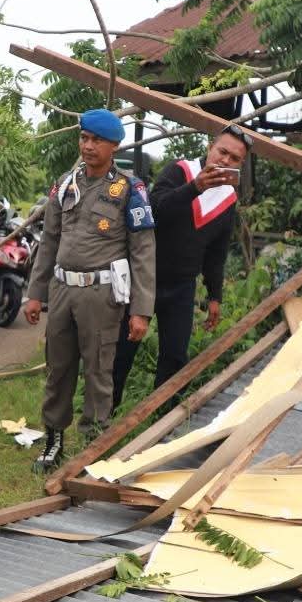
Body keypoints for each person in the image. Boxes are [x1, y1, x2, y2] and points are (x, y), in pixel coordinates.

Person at [23, 109, 155, 472]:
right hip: (63, 290)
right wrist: (35, 293)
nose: (88, 145)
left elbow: (143, 251)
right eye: (84, 138)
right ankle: (53, 440)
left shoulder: (129, 188)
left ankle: (94, 441)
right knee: (58, 367)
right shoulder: (66, 182)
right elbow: (48, 240)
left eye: (97, 140)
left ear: (114, 145)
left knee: (99, 369)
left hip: (102, 295)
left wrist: (141, 310)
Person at [111, 126, 244, 408]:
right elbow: (155, 208)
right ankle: (103, 419)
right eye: (222, 151)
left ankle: (162, 424)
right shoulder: (179, 171)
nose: (225, 161)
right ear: (210, 147)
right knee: (123, 351)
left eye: (234, 158)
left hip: (182, 287)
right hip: (147, 279)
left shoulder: (228, 198)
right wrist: (195, 187)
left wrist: (215, 295)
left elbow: (216, 251)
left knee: (174, 357)